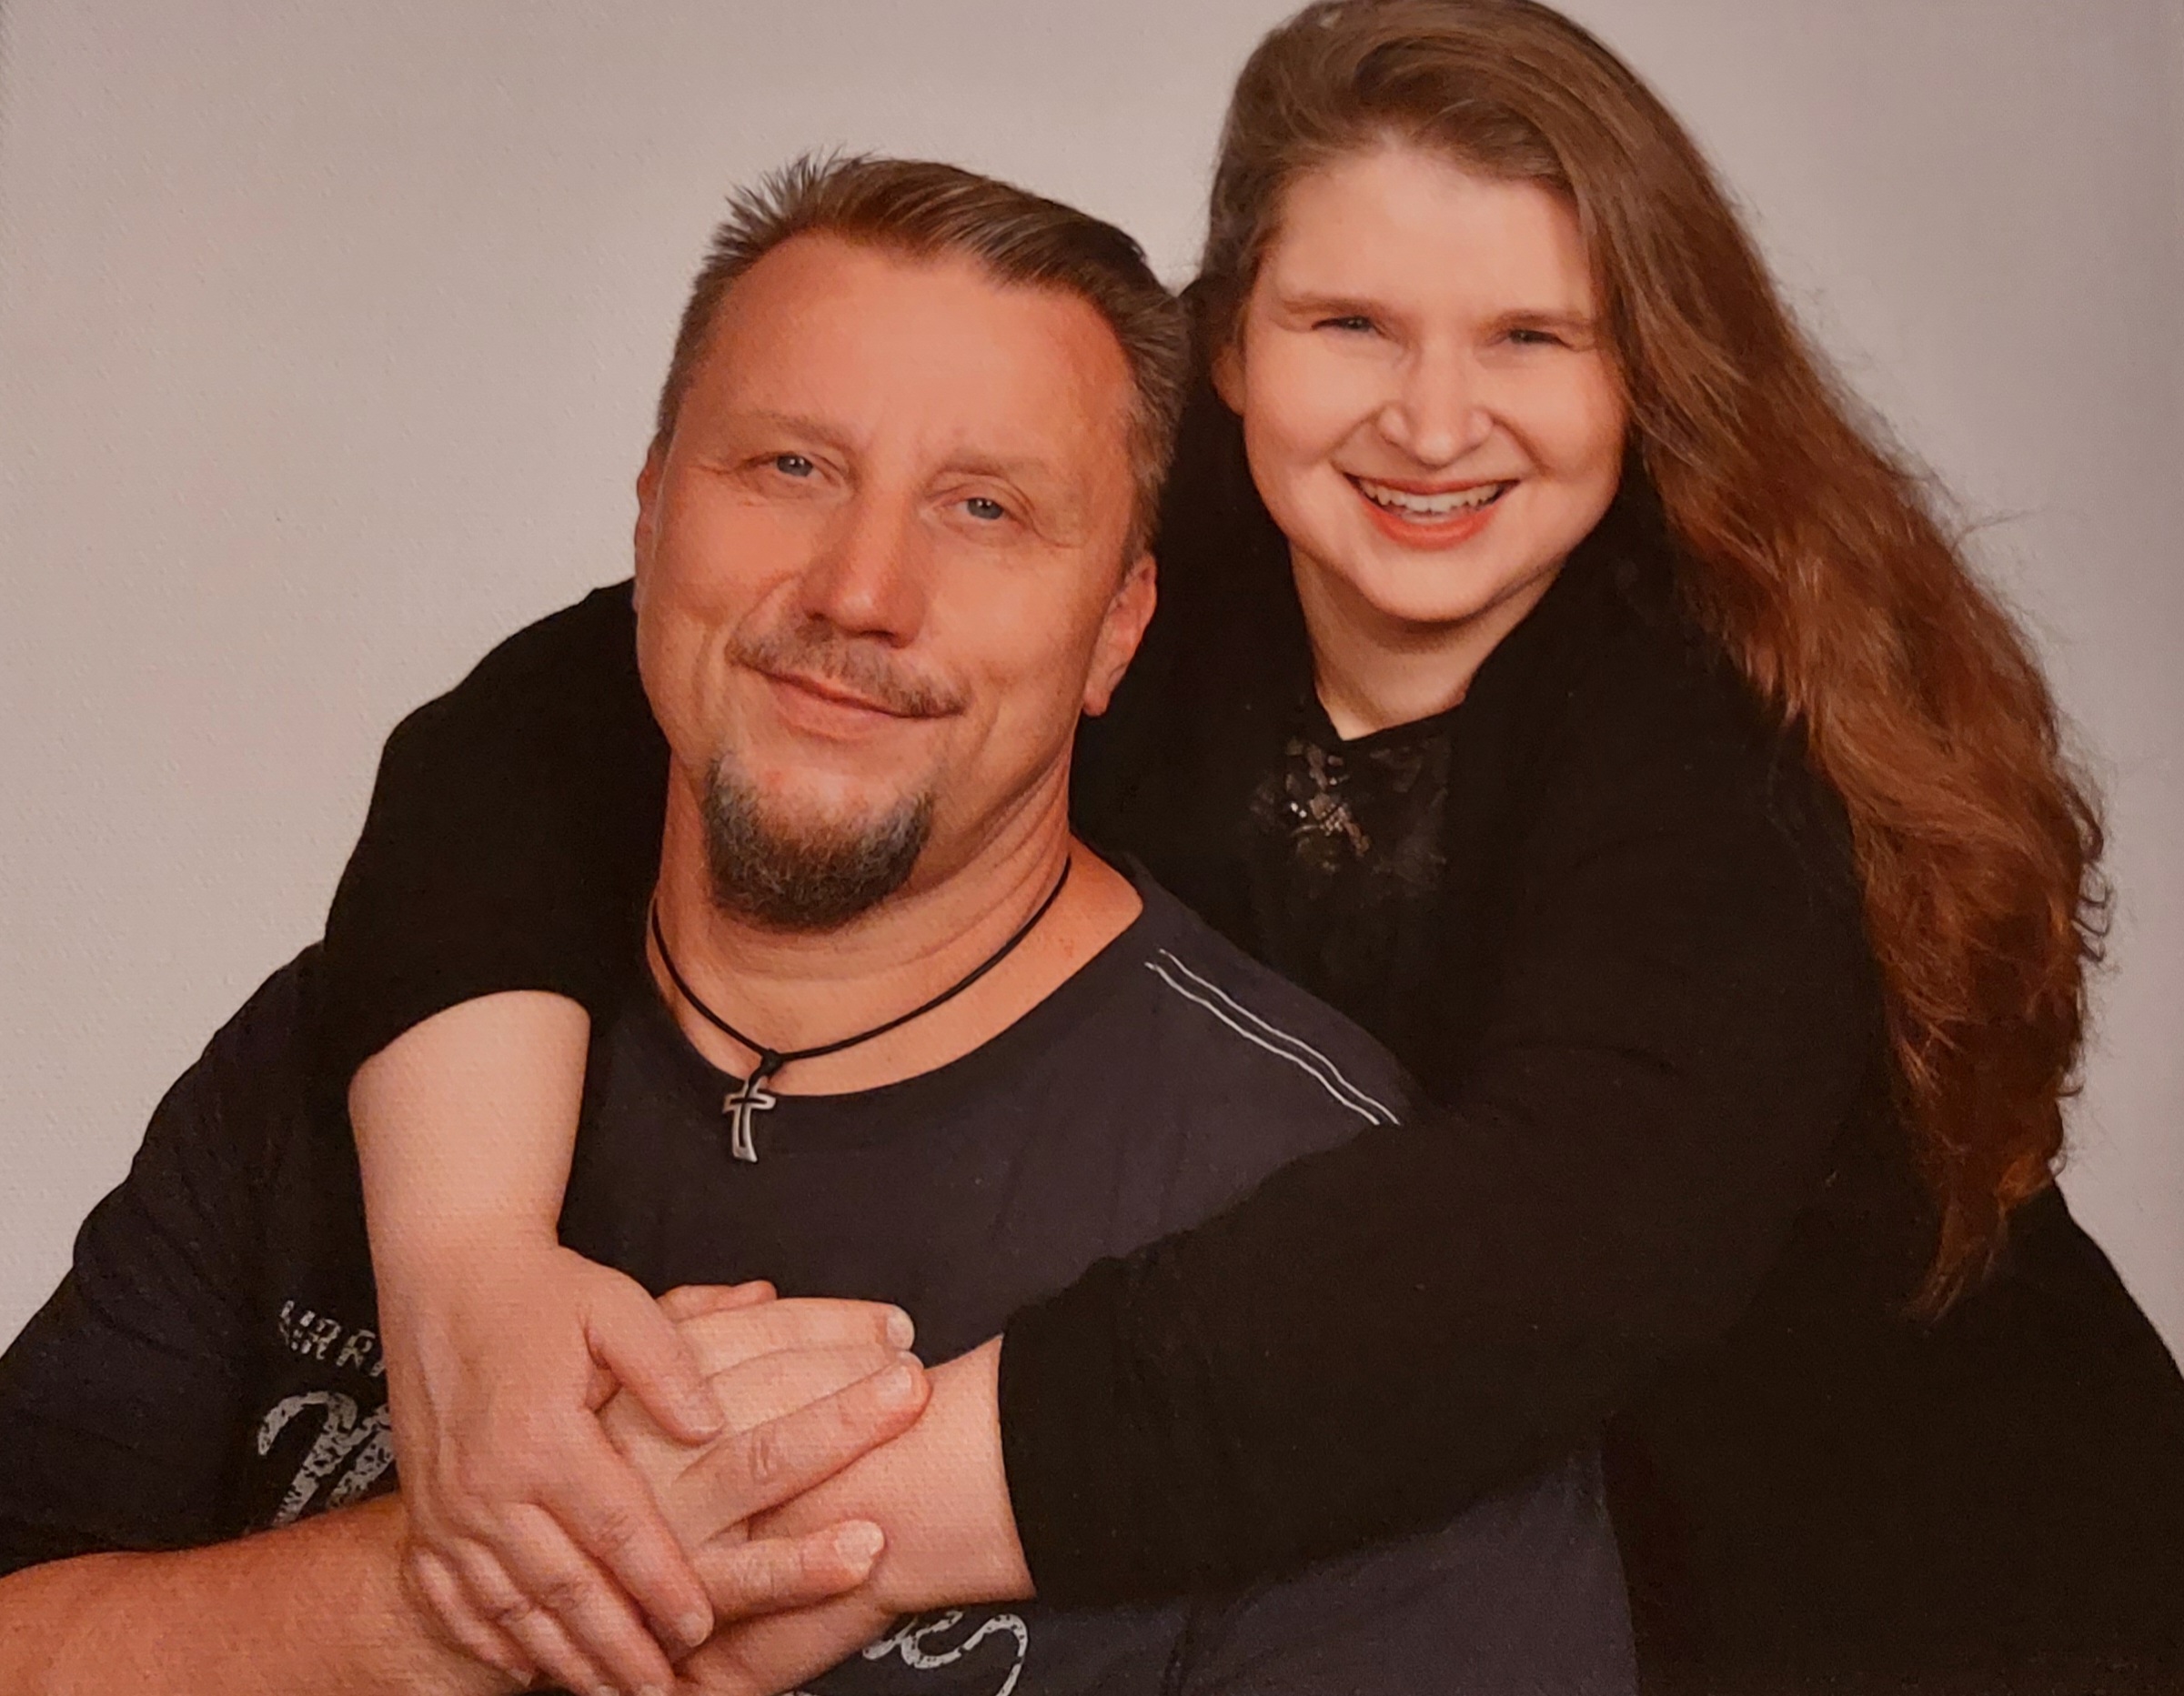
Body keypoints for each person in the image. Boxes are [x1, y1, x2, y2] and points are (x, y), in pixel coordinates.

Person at [310, 1, 2184, 1692]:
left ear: (1648, 369)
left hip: (1930, 1588)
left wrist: (782, 1522)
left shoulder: (1727, 744)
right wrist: (469, 1285)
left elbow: (1532, 1259)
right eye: (1347, 323)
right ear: (1228, 338)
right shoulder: (1141, 551)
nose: (1429, 422)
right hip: (1444, 1571)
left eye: (1531, 337)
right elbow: (549, 730)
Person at [0, 154, 1635, 1696]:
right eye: (791, 466)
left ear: (1117, 628)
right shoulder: (376, 1043)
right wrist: (446, 1594)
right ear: (650, 513)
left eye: (985, 509)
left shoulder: (1333, 1240)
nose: (860, 589)